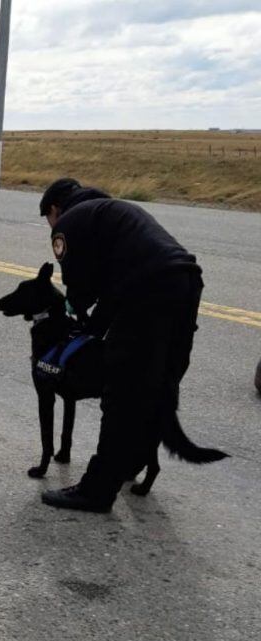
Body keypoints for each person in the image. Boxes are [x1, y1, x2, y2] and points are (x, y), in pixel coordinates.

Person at [38, 177, 205, 512]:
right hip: (185, 283)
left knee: (122, 392)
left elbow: (81, 288)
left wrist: (77, 314)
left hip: (148, 294)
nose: (53, 227)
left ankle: (97, 490)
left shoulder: (70, 223)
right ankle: (129, 464)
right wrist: (97, 326)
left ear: (54, 209)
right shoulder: (113, 212)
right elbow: (115, 286)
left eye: (49, 220)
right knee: (154, 385)